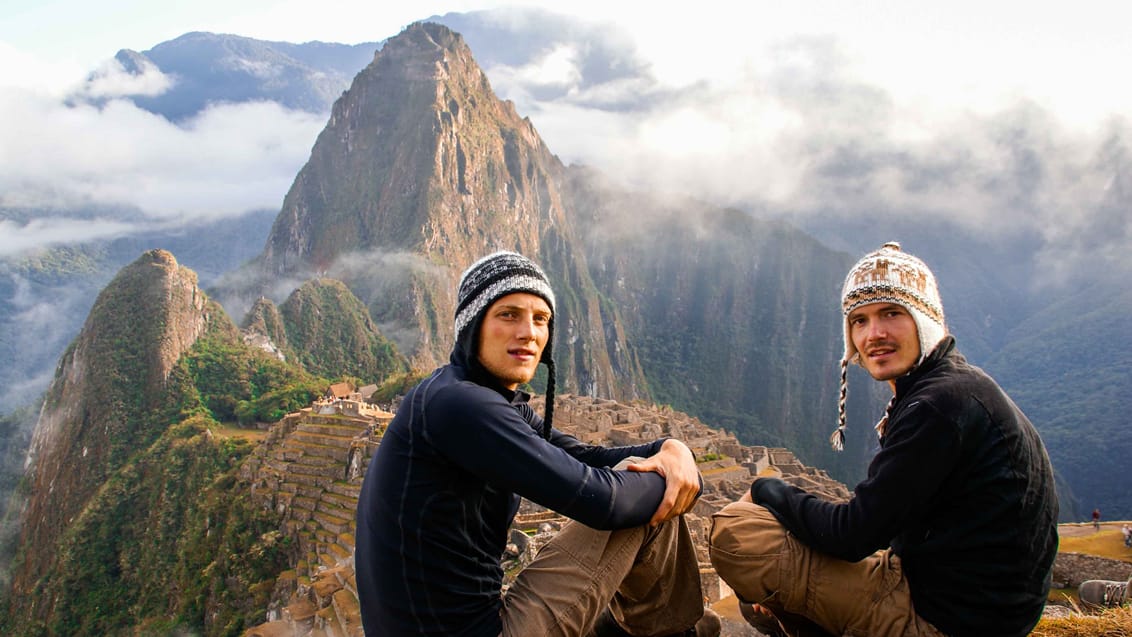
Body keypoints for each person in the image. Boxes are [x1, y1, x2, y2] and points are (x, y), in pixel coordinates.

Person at [355, 251, 719, 637]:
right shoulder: (462, 406)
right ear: (473, 325)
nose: (529, 332)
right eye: (508, 315)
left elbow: (588, 456)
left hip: (472, 620)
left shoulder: (473, 396)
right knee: (648, 505)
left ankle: (669, 629)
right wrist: (674, 477)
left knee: (646, 480)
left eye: (540, 319)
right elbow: (602, 502)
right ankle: (672, 631)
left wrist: (673, 448)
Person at [708, 242, 1059, 637]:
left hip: (944, 619)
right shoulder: (958, 387)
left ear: (924, 318)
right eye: (859, 320)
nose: (874, 334)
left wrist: (765, 490)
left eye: (891, 314)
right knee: (765, 586)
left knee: (736, 531)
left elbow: (852, 535)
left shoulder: (937, 406)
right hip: (974, 603)